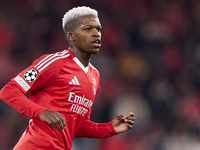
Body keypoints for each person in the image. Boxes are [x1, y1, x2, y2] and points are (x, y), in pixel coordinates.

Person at [0, 6, 135, 150]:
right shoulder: (55, 62)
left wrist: (109, 128)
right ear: (71, 36)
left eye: (98, 29)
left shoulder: (94, 76)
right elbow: (9, 91)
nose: (96, 34)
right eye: (88, 29)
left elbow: (76, 125)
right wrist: (41, 112)